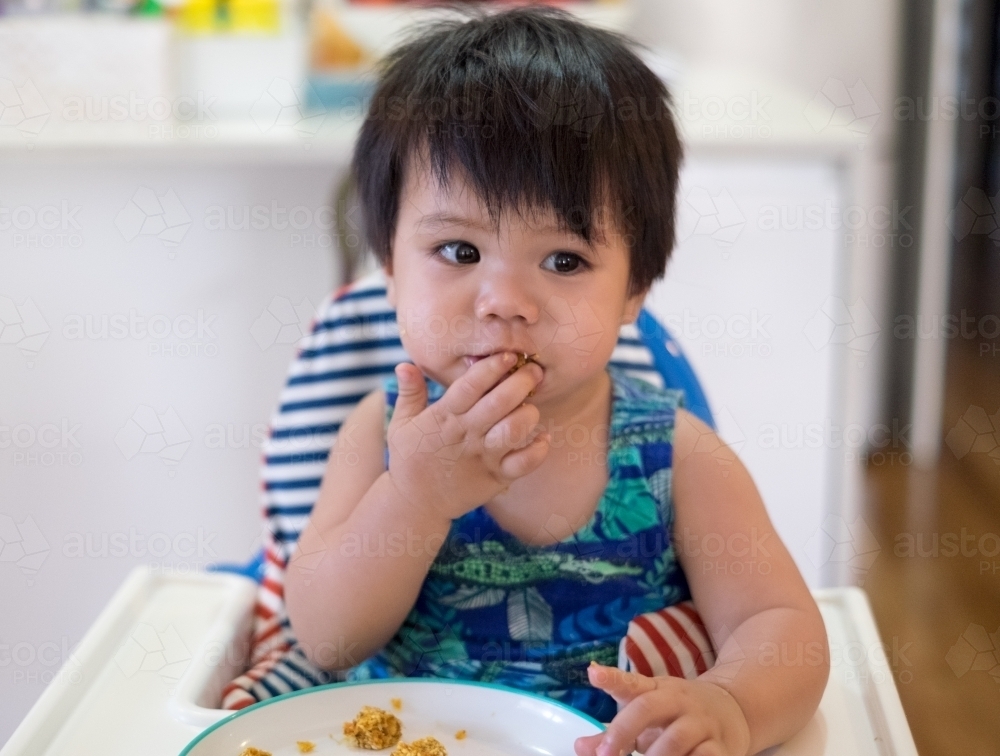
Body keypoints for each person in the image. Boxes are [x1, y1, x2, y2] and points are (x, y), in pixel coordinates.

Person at [279, 6, 830, 756]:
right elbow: (326, 637)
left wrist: (729, 705)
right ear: (390, 266)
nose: (504, 300)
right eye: (458, 250)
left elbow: (781, 626)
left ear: (634, 289)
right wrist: (414, 496)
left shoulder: (678, 458)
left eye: (564, 261)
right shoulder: (379, 437)